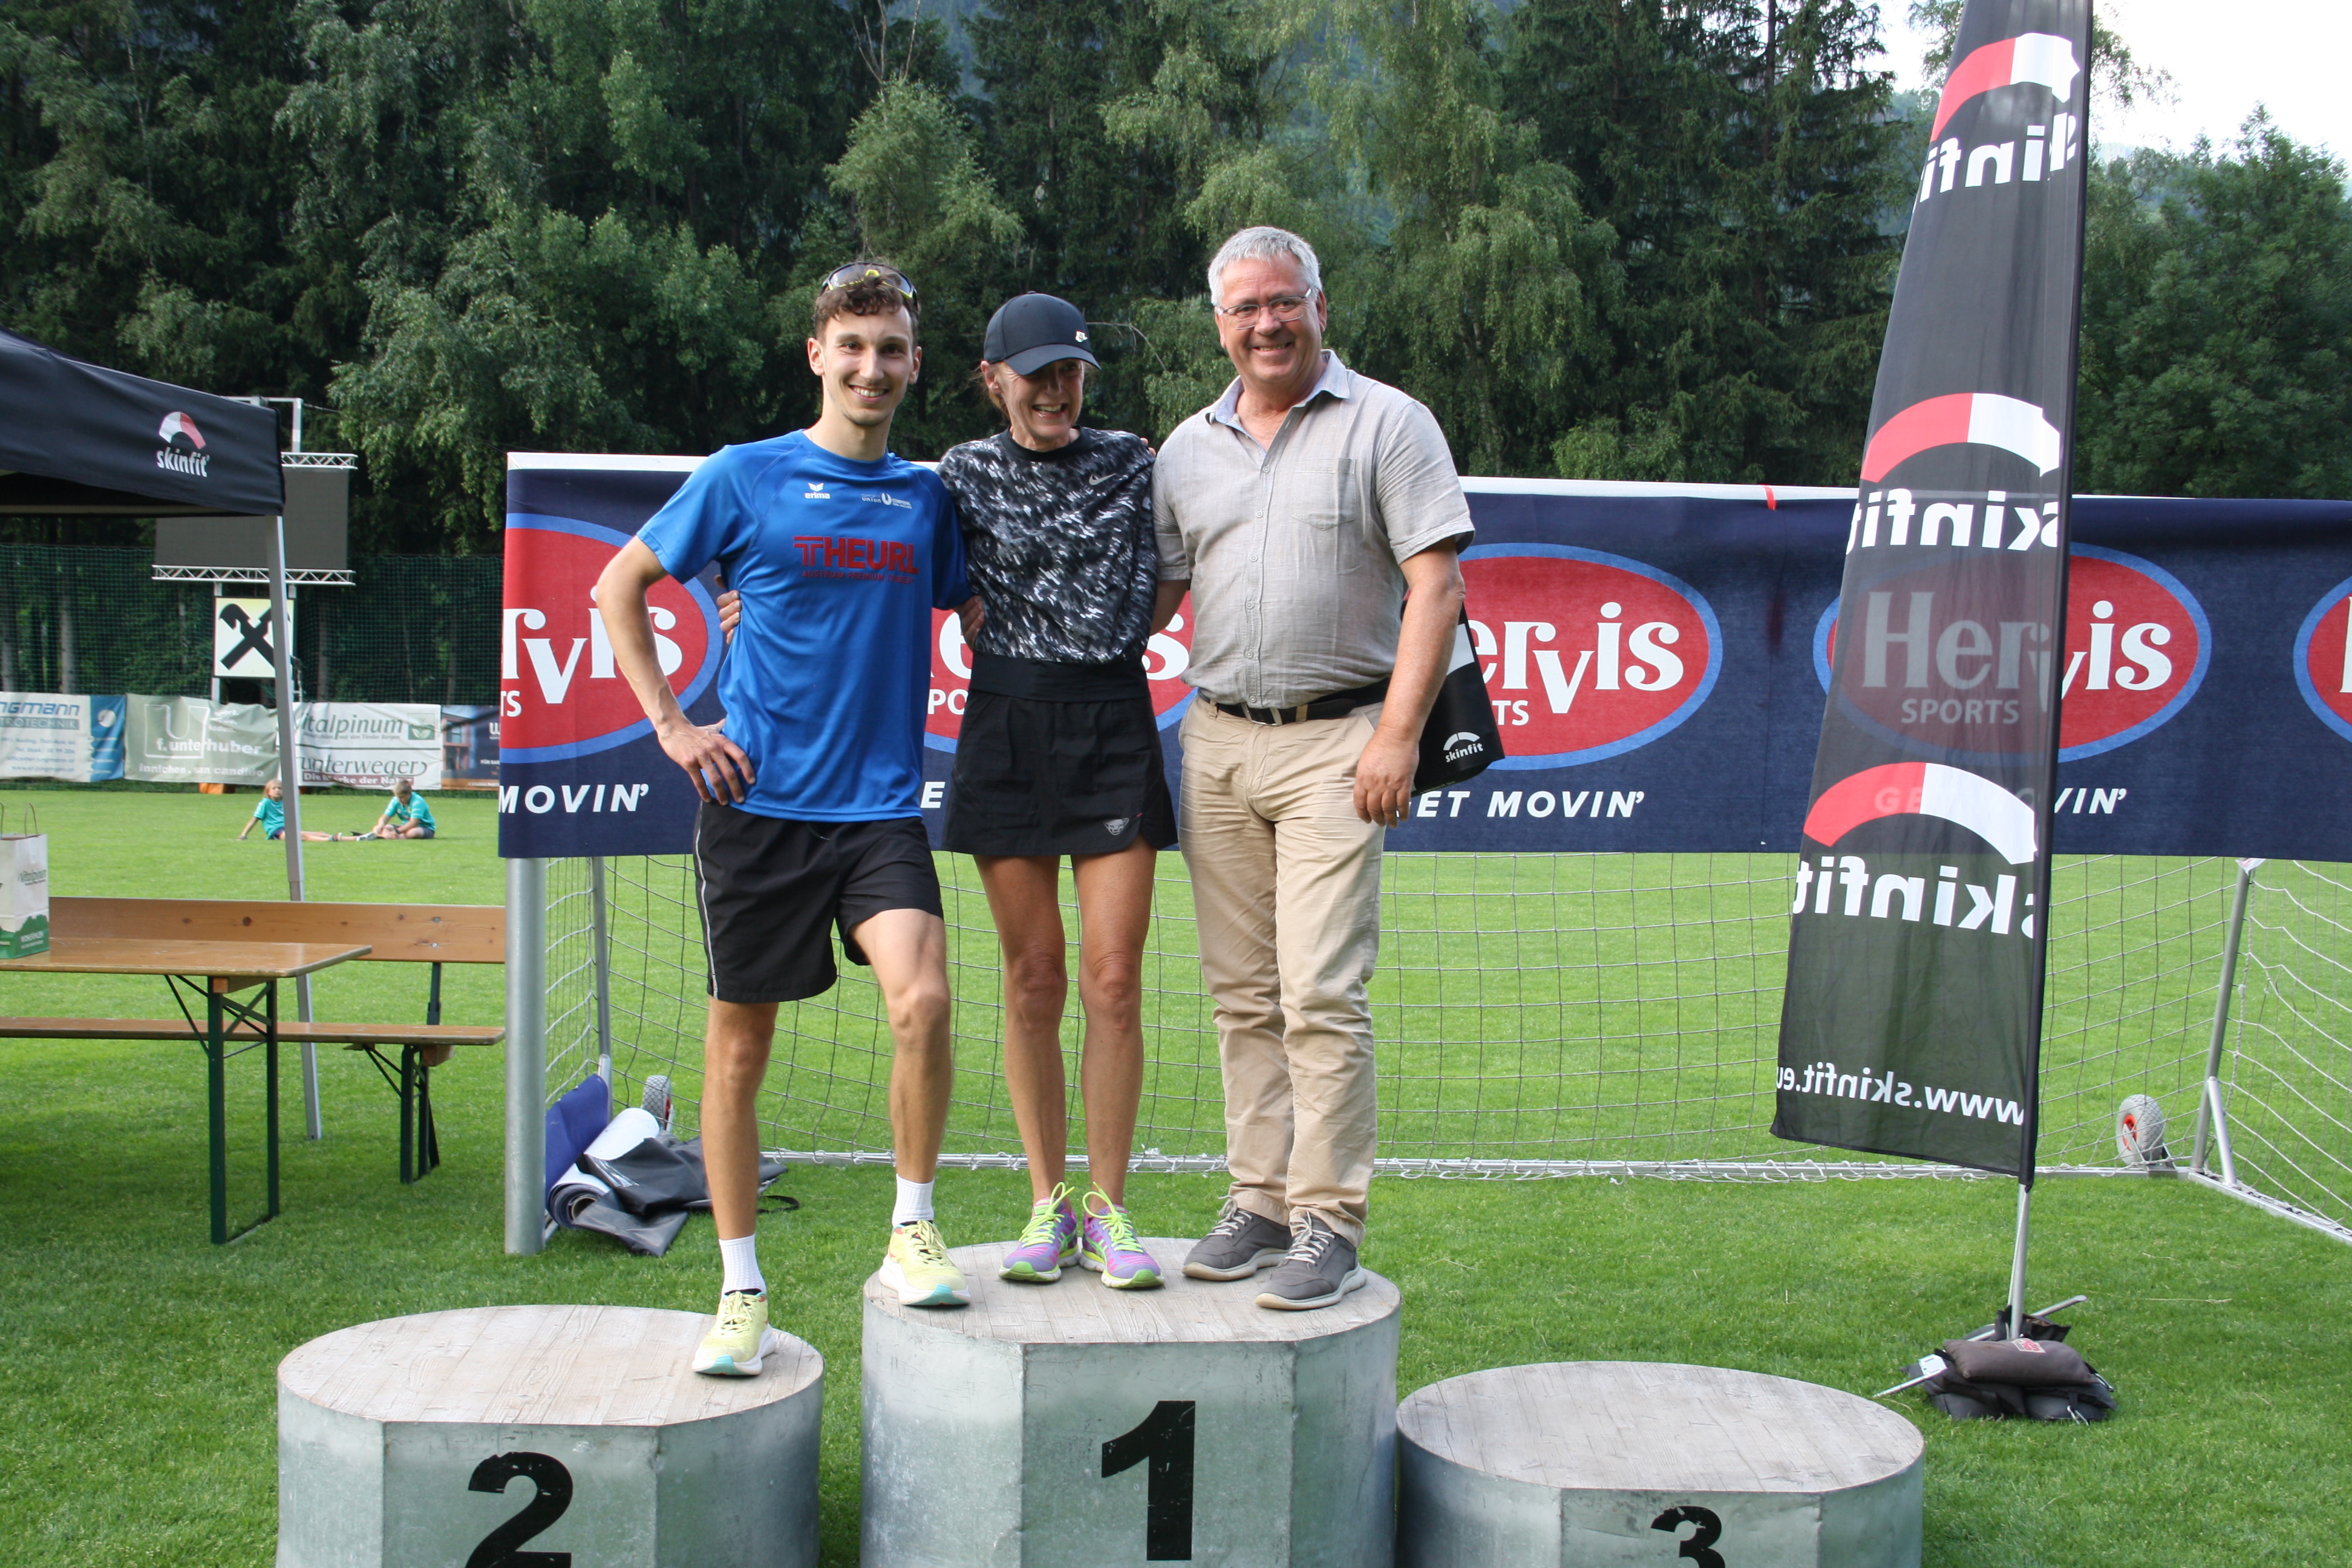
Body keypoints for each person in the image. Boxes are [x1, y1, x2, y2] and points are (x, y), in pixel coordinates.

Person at [596, 260, 977, 1379]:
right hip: (754, 809)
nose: (871, 367)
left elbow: (979, 603)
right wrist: (673, 725)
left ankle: (912, 1230)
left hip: (879, 812)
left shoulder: (926, 498)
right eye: (851, 346)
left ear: (914, 365)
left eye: (891, 349)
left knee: (924, 1002)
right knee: (739, 1051)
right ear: (818, 355)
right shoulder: (743, 474)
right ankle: (739, 1290)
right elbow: (617, 587)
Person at [1154, 226, 1471, 1310]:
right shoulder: (1184, 448)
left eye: (1283, 301)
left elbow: (1435, 587)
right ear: (1219, 326)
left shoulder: (1389, 421)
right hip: (1214, 739)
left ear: (1319, 308)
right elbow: (1152, 598)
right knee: (1241, 997)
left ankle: (1326, 1218)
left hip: (1341, 741)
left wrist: (1396, 736)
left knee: (1320, 993)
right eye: (1245, 308)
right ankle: (1259, 1200)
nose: (1266, 323)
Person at [937, 292, 1183, 1290]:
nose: (1056, 390)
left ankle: (1110, 1209)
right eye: (1036, 374)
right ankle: (1048, 1203)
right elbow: (893, 561)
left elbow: (1179, 564)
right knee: (1034, 978)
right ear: (993, 378)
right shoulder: (959, 473)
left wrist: (1113, 632)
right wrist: (746, 592)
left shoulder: (1135, 461)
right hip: (1007, 721)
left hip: (1112, 719)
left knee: (1113, 979)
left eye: (1070, 371)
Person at [235, 777, 338, 841]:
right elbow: (254, 819)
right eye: (274, 788)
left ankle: (344, 838)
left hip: (287, 829)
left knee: (320, 833)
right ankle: (330, 840)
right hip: (276, 831)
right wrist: (243, 835)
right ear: (268, 792)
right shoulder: (266, 803)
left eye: (280, 788)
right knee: (302, 836)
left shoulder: (284, 802)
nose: (277, 790)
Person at [364, 777, 436, 838]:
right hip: (404, 826)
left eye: (402, 797)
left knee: (413, 833)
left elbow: (414, 823)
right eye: (397, 797)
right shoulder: (396, 800)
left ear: (409, 793)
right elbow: (385, 817)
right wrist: (380, 826)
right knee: (385, 828)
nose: (399, 800)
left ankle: (390, 836)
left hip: (425, 828)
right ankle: (391, 836)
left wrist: (397, 831)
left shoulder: (417, 801)